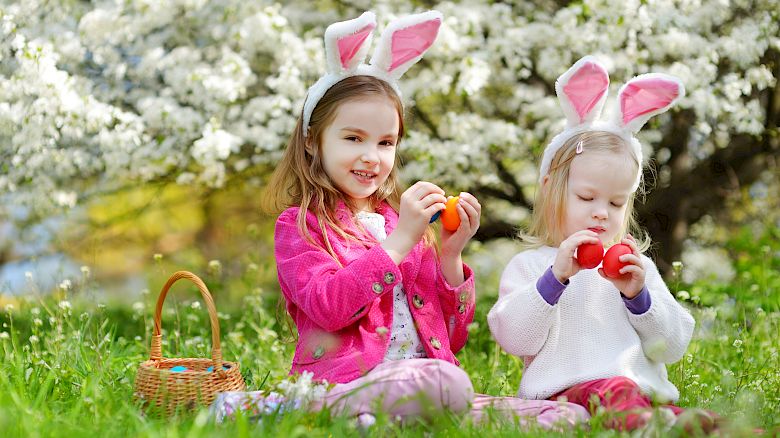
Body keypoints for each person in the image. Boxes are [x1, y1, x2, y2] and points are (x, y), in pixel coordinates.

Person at [212, 11, 588, 429]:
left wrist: (450, 254)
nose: (371, 156)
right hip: (348, 382)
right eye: (353, 138)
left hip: (429, 383)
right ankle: (293, 406)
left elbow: (454, 337)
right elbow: (330, 307)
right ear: (312, 141)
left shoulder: (402, 223)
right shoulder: (301, 225)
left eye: (385, 142)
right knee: (443, 383)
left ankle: (384, 420)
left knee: (566, 416)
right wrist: (401, 242)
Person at [487, 56, 718, 432]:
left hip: (638, 396)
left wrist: (640, 298)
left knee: (699, 422)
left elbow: (673, 345)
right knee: (624, 401)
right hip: (568, 397)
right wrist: (554, 280)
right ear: (551, 190)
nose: (601, 213)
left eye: (615, 203)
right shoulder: (532, 267)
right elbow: (515, 338)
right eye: (586, 197)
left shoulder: (633, 268)